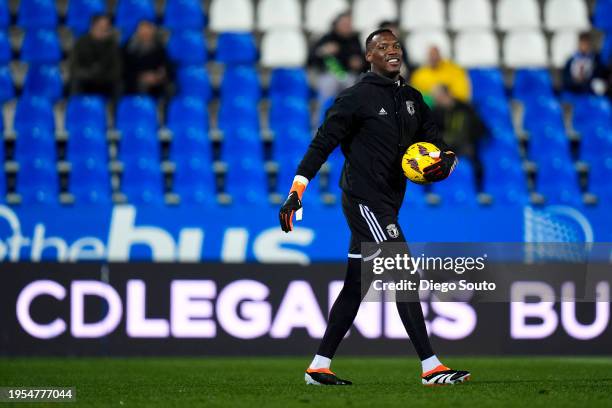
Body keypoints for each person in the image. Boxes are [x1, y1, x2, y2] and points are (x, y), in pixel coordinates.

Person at [279, 29, 470, 386]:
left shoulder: (413, 98)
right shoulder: (354, 98)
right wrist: (296, 192)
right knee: (404, 274)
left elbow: (439, 146)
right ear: (369, 57)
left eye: (395, 45)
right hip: (364, 201)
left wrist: (446, 162)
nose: (391, 51)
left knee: (356, 285)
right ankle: (431, 367)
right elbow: (321, 145)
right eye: (382, 47)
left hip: (389, 203)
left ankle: (318, 367)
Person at [431, 85, 487, 188]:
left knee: (474, 156)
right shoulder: (436, 111)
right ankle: (431, 192)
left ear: (447, 94)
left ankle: (480, 189)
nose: (436, 99)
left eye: (438, 96)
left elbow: (478, 128)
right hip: (445, 145)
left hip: (464, 144)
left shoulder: (465, 108)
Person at [308, 12, 365, 107]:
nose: (347, 26)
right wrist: (323, 51)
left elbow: (362, 62)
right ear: (336, 24)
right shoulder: (327, 38)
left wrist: (359, 64)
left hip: (349, 75)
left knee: (354, 86)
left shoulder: (354, 40)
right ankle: (322, 118)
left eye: (349, 24)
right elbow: (311, 59)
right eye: (344, 24)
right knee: (328, 84)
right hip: (327, 75)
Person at [69, 14, 122, 98]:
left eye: (107, 27)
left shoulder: (112, 44)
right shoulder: (81, 42)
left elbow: (116, 68)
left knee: (118, 85)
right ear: (92, 26)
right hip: (86, 79)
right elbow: (74, 67)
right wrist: (89, 74)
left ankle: (116, 110)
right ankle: (77, 108)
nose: (104, 29)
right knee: (76, 83)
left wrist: (102, 75)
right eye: (101, 26)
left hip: (105, 80)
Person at [122, 20, 171, 97]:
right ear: (137, 31)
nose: (145, 33)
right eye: (142, 30)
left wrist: (158, 75)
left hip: (155, 81)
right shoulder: (128, 48)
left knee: (168, 88)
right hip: (134, 81)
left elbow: (165, 65)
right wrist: (141, 77)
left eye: (148, 30)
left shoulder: (159, 47)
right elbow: (124, 69)